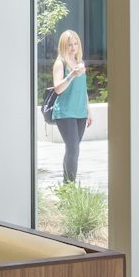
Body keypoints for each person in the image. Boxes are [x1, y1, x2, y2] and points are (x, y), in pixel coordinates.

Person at [51, 30, 90, 184]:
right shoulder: (60, 63)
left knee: (73, 150)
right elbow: (58, 89)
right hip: (65, 112)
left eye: (75, 44)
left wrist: (89, 111)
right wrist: (71, 75)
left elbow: (83, 89)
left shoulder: (80, 63)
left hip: (80, 113)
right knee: (73, 148)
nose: (73, 48)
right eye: (69, 45)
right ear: (63, 46)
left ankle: (67, 184)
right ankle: (69, 186)